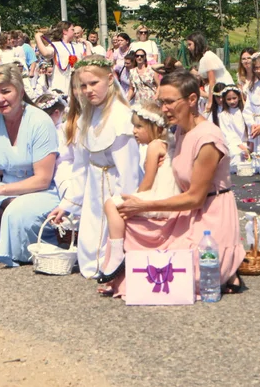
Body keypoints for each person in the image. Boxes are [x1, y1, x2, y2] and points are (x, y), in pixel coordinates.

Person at [100, 69, 247, 298]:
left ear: (191, 100)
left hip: (211, 213)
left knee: (182, 273)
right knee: (130, 225)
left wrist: (145, 206)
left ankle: (227, 269)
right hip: (186, 211)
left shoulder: (208, 139)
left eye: (169, 102)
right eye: (161, 102)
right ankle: (118, 265)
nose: (164, 108)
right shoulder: (180, 130)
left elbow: (195, 197)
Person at [49, 56, 141, 279]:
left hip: (115, 187)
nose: (88, 90)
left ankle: (115, 263)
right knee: (91, 234)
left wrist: (126, 205)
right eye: (83, 85)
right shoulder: (86, 117)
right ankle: (96, 265)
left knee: (111, 231)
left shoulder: (121, 118)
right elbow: (81, 165)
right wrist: (68, 204)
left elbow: (129, 172)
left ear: (110, 79)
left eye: (94, 83)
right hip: (93, 186)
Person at [0, 65, 61, 267]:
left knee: (16, 212)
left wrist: (2, 192)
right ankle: (7, 234)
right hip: (5, 189)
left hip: (42, 191)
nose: (0, 99)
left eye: (6, 91)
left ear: (21, 91)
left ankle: (38, 244)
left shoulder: (40, 121)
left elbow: (42, 179)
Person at [34, 22, 89, 95]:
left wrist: (87, 45)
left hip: (76, 86)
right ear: (65, 31)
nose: (74, 32)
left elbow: (88, 60)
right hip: (60, 86)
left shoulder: (77, 46)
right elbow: (45, 53)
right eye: (72, 30)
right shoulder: (55, 45)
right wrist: (37, 37)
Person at [186, 33, 234, 111]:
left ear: (197, 43)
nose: (188, 47)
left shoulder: (207, 57)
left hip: (222, 90)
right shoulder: (205, 57)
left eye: (190, 44)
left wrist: (210, 102)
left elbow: (212, 81)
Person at [212, 83, 250, 173]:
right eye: (229, 99)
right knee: (236, 154)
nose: (232, 101)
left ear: (239, 97)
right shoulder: (223, 115)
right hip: (234, 144)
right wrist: (242, 147)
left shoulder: (244, 112)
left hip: (247, 143)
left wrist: (249, 145)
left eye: (234, 98)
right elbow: (229, 135)